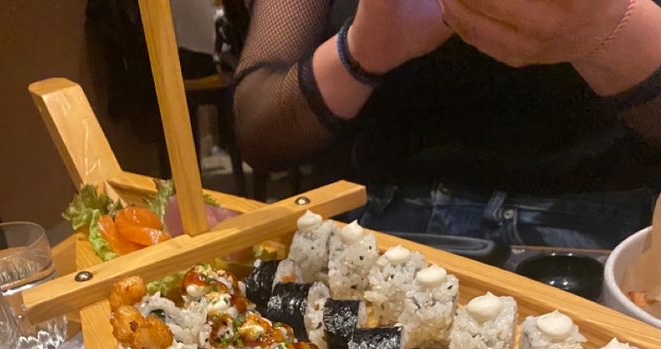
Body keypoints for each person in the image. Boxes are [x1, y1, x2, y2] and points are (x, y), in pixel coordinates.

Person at [233, 0, 661, 247]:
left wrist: (613, 32)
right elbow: (260, 131)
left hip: (604, 238)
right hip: (372, 227)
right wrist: (360, 51)